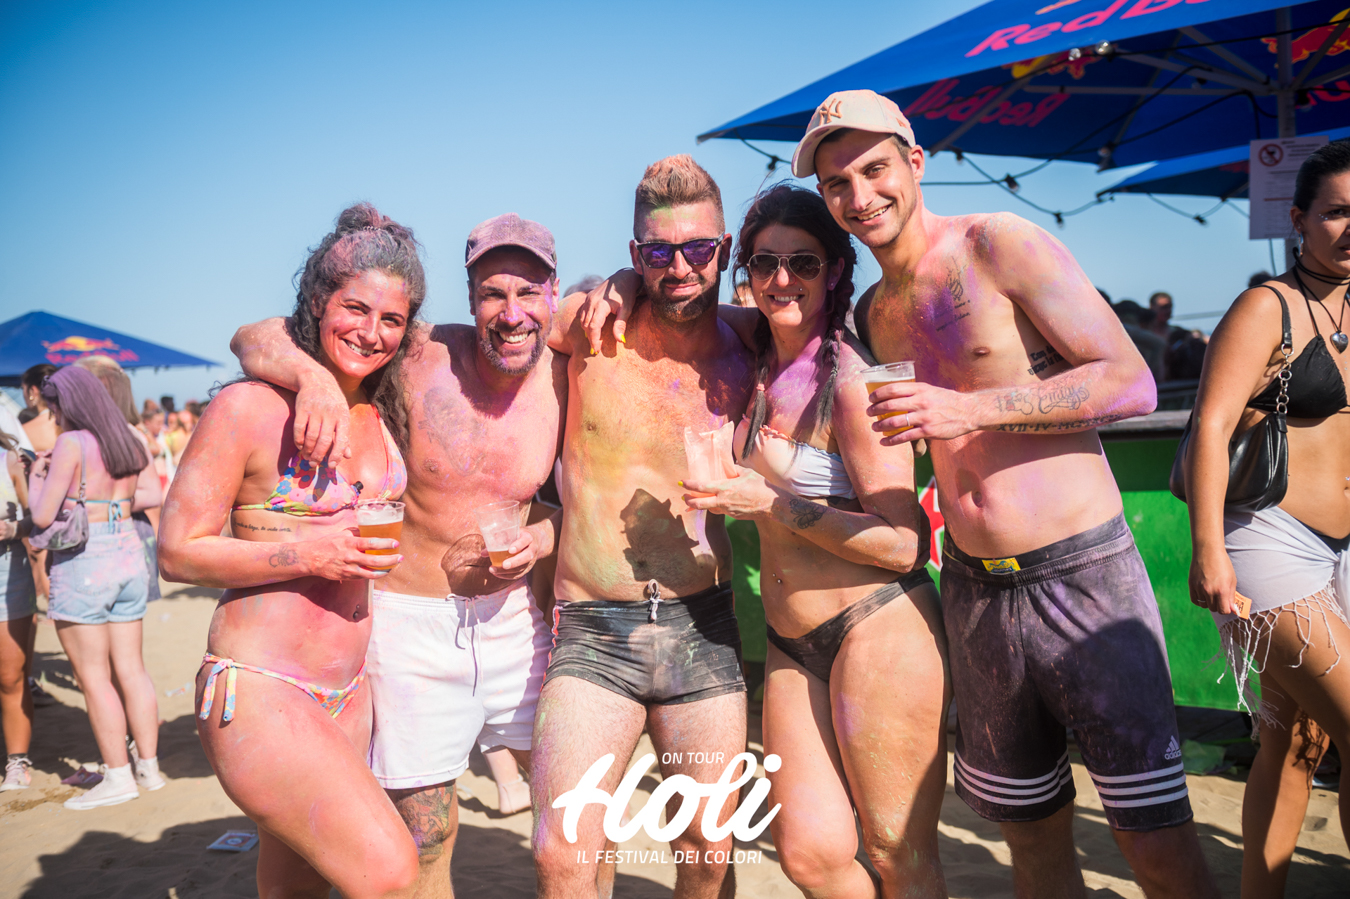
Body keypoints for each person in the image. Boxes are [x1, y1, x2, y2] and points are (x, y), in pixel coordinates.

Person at [798, 89, 1217, 898]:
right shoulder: (873, 312)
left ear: (915, 162)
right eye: (837, 183)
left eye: (875, 170)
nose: (860, 196)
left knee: (1155, 845)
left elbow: (1131, 382)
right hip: (975, 591)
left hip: (1082, 574)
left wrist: (971, 408)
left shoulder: (997, 243)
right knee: (1030, 837)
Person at [229, 212, 566, 895]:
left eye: (528, 291)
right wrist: (312, 378)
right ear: (470, 297)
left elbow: (571, 510)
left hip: (514, 626)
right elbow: (251, 336)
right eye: (492, 292)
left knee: (573, 815)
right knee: (424, 834)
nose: (511, 312)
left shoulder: (569, 370)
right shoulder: (418, 352)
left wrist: (539, 537)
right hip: (410, 625)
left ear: (553, 294)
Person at [684, 184, 950, 895]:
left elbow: (904, 544)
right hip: (789, 642)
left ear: (834, 270)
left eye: (802, 262)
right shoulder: (753, 354)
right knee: (809, 854)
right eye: (764, 262)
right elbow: (678, 305)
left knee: (897, 854)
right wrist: (619, 286)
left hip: (877, 627)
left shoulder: (854, 383)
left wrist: (774, 504)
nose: (782, 279)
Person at [158, 204, 423, 898]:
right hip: (261, 687)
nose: (371, 332)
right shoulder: (248, 407)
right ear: (317, 303)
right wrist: (310, 554)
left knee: (296, 888)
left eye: (391, 319)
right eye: (355, 308)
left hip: (349, 690)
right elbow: (177, 552)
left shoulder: (380, 412)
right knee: (390, 872)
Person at [530, 155, 754, 899]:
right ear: (635, 254)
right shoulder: (587, 327)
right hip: (594, 630)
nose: (680, 268)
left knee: (708, 848)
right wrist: (614, 287)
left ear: (723, 248)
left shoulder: (750, 345)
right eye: (658, 253)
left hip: (703, 627)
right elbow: (506, 323)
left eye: (698, 248)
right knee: (564, 852)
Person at [1185, 138, 1350, 899]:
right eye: (1337, 212)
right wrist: (1207, 550)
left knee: (1298, 738)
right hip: (1270, 535)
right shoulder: (1267, 307)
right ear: (1300, 219)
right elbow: (1211, 428)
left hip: (1343, 548)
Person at [26, 366, 162, 810]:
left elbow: (42, 515)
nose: (53, 417)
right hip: (128, 555)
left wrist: (37, 475)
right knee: (132, 669)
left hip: (86, 561)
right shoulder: (125, 438)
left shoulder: (73, 443)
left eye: (53, 409)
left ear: (69, 404)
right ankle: (148, 768)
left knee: (93, 677)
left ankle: (118, 776)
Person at [0, 424, 36, 791]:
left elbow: (36, 518)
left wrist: (13, 530)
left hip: (7, 576)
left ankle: (17, 760)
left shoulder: (9, 460)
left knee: (10, 675)